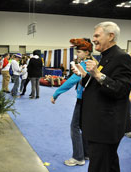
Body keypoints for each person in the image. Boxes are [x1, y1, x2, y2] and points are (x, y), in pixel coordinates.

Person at [72, 21, 131, 172]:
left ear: (111, 36)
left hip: (106, 128)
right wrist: (85, 75)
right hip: (99, 125)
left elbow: (122, 90)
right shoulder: (106, 57)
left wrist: (98, 74)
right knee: (109, 164)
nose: (93, 39)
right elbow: (97, 84)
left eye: (97, 35)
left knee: (99, 167)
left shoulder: (121, 57)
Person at [51, 38, 95, 166]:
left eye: (80, 52)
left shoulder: (84, 64)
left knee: (74, 127)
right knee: (83, 127)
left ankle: (78, 157)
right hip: (89, 100)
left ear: (87, 52)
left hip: (83, 100)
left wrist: (56, 93)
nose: (77, 54)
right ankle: (86, 154)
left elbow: (71, 81)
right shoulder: (93, 62)